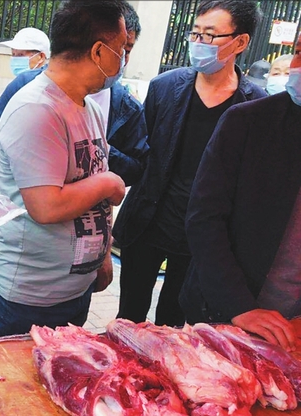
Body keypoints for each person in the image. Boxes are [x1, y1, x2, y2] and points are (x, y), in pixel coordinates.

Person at [0, 1, 147, 340]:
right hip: (28, 296)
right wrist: (108, 181)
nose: (123, 60)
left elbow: (96, 193)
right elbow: (47, 207)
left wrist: (103, 255)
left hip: (74, 289)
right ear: (98, 51)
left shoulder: (89, 107)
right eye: (121, 49)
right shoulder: (37, 109)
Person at [114, 0, 266, 327]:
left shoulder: (256, 107)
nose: (199, 44)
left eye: (210, 36)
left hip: (203, 239)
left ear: (240, 42)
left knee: (175, 323)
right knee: (129, 319)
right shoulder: (164, 88)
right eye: (195, 33)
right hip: (149, 224)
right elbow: (143, 154)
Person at [180, 33, 301, 352]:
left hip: (294, 329)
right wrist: (239, 305)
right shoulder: (248, 121)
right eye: (300, 53)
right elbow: (204, 218)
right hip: (225, 314)